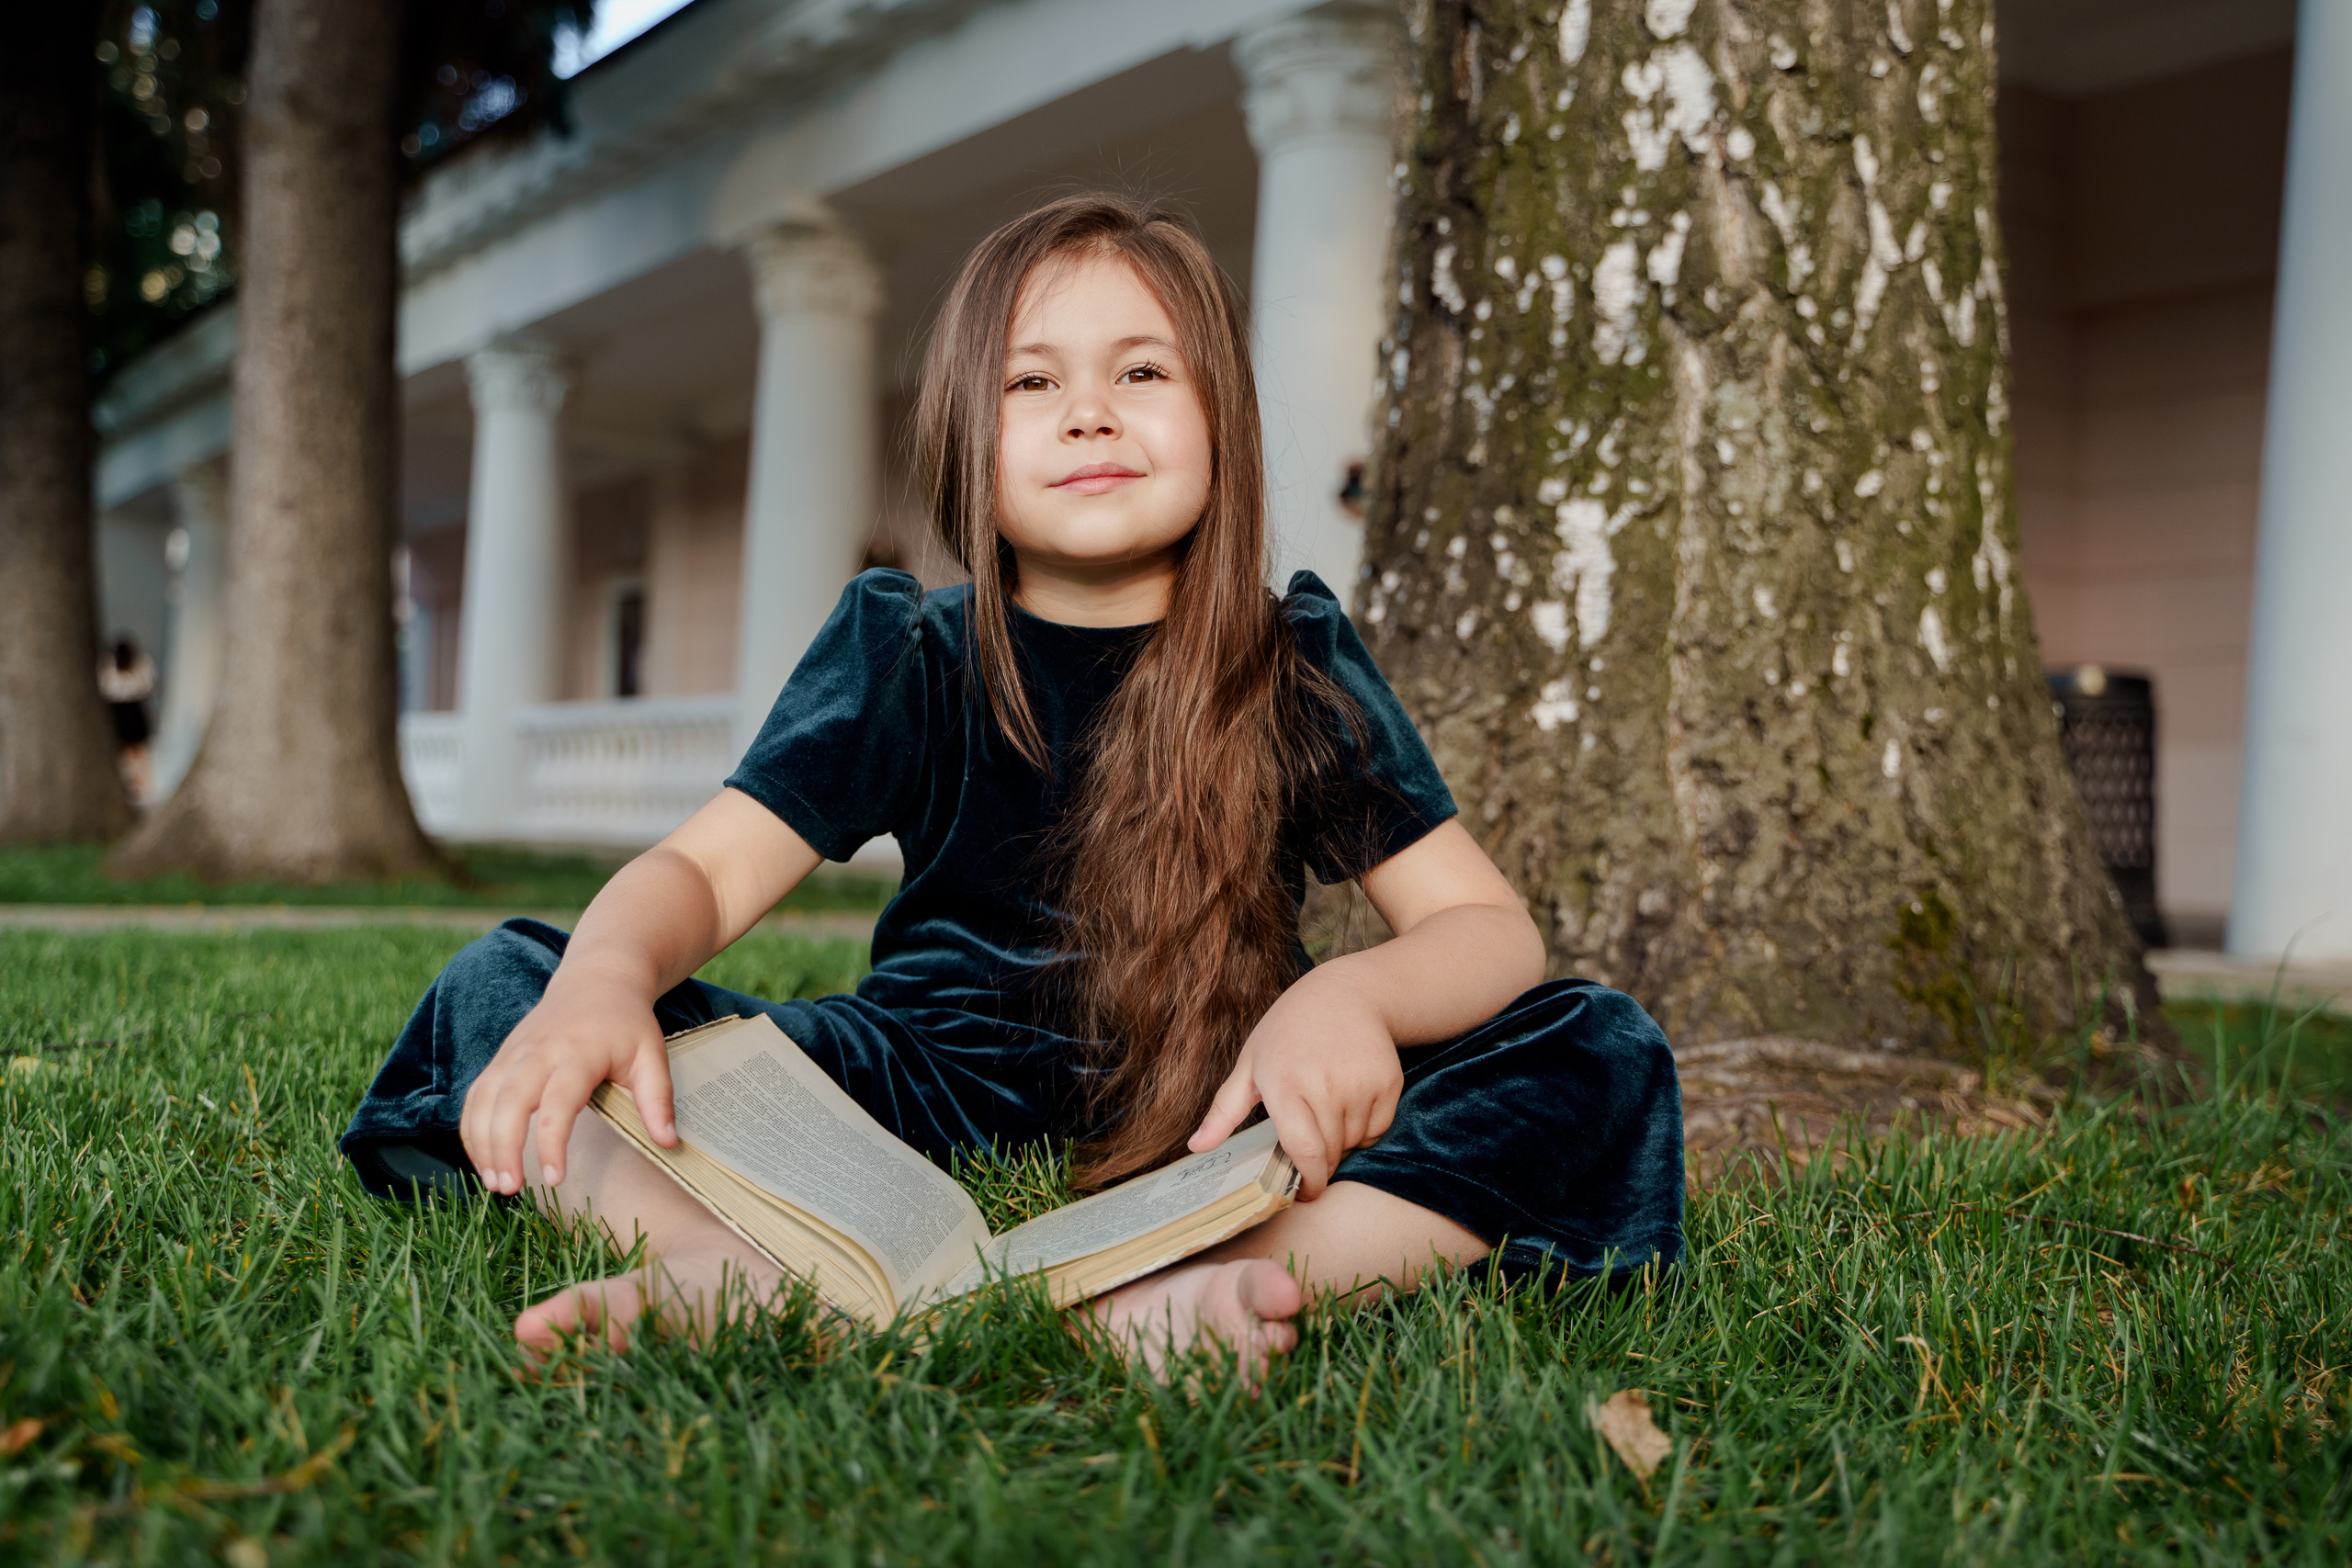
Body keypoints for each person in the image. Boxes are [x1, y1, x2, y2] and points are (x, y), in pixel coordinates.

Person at [341, 195, 1684, 1377]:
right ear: (962, 436)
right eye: (1030, 383)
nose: (1089, 409)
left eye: (1142, 369)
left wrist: (1354, 998)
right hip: (907, 1082)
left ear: (1225, 415)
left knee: (1593, 1043)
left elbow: (1489, 928)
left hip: (1218, 1109)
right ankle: (731, 1261)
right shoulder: (911, 649)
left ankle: (1208, 1278)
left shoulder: (1292, 663)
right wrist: (602, 981)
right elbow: (701, 870)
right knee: (505, 982)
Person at [97, 635, 157, 803]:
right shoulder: (108, 667)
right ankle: (131, 786)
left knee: (137, 753)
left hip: (132, 712)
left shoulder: (141, 665)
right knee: (125, 754)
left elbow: (144, 686)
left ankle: (142, 788)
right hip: (120, 713)